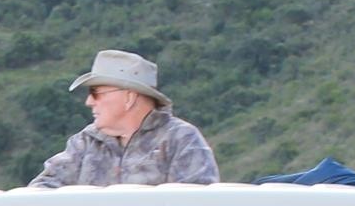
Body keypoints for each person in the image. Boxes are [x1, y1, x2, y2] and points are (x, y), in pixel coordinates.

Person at [28, 49, 219, 188]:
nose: (88, 102)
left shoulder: (181, 140)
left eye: (96, 93)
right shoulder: (84, 142)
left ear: (129, 97)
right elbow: (41, 194)